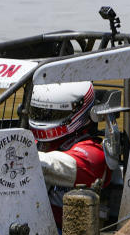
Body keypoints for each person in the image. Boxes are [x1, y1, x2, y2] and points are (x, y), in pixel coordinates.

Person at [29, 81, 111, 226]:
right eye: (40, 112)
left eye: (53, 114)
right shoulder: (37, 144)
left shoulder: (93, 155)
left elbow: (50, 165)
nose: (45, 119)